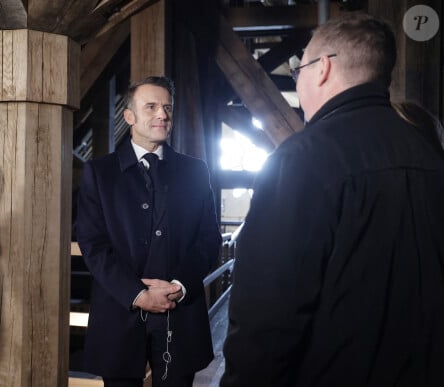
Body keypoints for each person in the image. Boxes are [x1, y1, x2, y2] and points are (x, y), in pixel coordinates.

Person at [221, 12, 444, 387]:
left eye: (299, 70)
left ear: (322, 68)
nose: (299, 79)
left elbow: (267, 319)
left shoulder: (299, 159)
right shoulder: (430, 155)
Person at [76, 76, 222, 387]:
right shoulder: (100, 173)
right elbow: (93, 245)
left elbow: (208, 239)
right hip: (120, 312)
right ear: (129, 116)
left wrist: (179, 286)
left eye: (167, 108)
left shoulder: (195, 171)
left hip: (179, 312)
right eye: (151, 107)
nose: (162, 115)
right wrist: (138, 294)